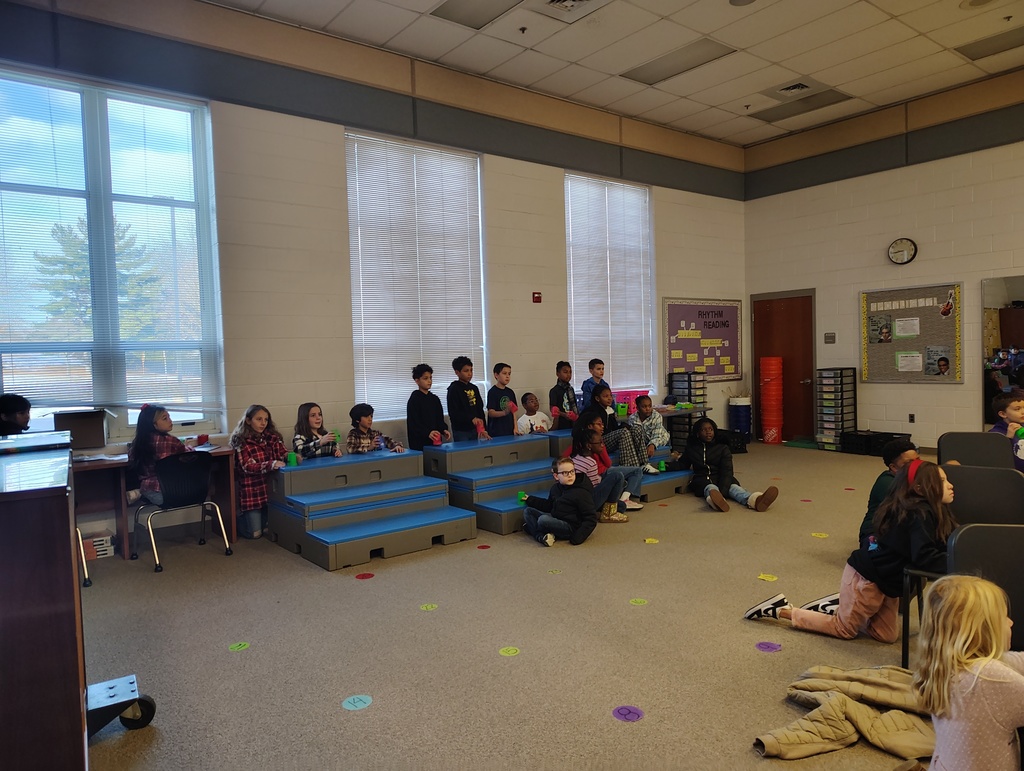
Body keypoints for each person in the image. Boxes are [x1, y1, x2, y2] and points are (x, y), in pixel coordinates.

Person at [744, 459, 956, 642]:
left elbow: (942, 544)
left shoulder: (931, 512)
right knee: (843, 630)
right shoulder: (919, 514)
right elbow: (925, 556)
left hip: (887, 584)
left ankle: (838, 607)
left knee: (886, 636)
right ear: (919, 489)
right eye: (942, 481)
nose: (950, 485)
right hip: (867, 579)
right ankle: (781, 610)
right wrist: (961, 563)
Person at [912, 574, 1024, 771]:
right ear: (983, 630)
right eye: (1004, 618)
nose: (1010, 623)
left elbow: (1014, 661)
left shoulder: (944, 662)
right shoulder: (989, 677)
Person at [669, 416, 777, 512]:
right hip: (702, 479)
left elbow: (727, 470)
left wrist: (724, 489)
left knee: (735, 489)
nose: (708, 432)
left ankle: (755, 500)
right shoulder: (691, 449)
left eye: (710, 429)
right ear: (697, 433)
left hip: (722, 477)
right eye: (704, 430)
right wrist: (667, 466)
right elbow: (683, 464)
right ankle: (716, 502)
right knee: (710, 488)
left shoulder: (722, 448)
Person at [230, 404, 288, 539]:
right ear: (248, 421)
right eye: (259, 419)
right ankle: (238, 519)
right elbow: (247, 466)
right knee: (255, 534)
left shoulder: (272, 437)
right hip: (252, 492)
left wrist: (290, 456)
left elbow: (282, 452)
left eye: (266, 420)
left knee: (270, 528)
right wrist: (270, 464)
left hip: (269, 490)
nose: (263, 423)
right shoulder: (240, 440)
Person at [127, 403, 197, 506]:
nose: (170, 420)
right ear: (153, 424)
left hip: (155, 494)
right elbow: (191, 456)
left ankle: (140, 492)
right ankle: (140, 492)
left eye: (169, 417)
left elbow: (131, 460)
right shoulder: (172, 441)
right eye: (165, 418)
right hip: (178, 492)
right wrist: (190, 447)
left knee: (145, 487)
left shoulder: (137, 445)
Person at [857, 437, 919, 550]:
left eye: (918, 460)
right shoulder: (887, 483)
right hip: (874, 533)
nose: (916, 465)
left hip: (897, 530)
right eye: (909, 463)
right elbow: (913, 506)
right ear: (894, 467)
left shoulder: (915, 477)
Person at [581, 384, 659, 474]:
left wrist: (623, 426)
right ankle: (628, 468)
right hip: (598, 441)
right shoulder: (592, 412)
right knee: (623, 433)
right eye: (605, 396)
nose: (610, 398)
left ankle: (644, 463)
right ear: (597, 398)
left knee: (636, 429)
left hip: (610, 439)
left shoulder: (610, 410)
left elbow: (613, 429)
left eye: (610, 395)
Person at [521, 457, 598, 546]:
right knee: (528, 511)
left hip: (570, 527)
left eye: (572, 471)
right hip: (556, 519)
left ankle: (537, 532)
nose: (570, 475)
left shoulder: (581, 493)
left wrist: (577, 538)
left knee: (543, 520)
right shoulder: (555, 489)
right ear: (556, 476)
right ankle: (543, 535)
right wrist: (530, 499)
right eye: (565, 473)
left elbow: (591, 518)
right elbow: (549, 506)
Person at [570, 429, 628, 523]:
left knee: (621, 506)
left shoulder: (575, 457)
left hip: (577, 501)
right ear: (589, 445)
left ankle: (598, 513)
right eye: (599, 443)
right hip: (586, 501)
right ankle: (609, 514)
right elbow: (594, 487)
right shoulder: (591, 462)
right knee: (617, 476)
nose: (602, 445)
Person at [406, 364, 450, 451]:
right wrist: (427, 433)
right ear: (417, 381)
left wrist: (444, 430)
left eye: (430, 378)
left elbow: (439, 420)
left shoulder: (435, 399)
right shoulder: (414, 400)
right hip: (419, 444)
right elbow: (414, 424)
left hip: (435, 442)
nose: (429, 381)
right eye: (425, 378)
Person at [446, 356, 489, 442]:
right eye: (466, 371)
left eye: (471, 370)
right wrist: (471, 418)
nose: (469, 373)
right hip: (461, 431)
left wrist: (483, 428)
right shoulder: (453, 389)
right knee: (464, 453)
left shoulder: (474, 388)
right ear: (457, 372)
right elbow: (454, 412)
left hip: (476, 429)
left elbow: (479, 409)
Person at [988, 389, 1024, 473]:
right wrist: (1008, 438)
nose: (1023, 412)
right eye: (1017, 409)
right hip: (1013, 476)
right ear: (1003, 414)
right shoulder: (996, 433)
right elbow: (997, 459)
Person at [628, 394, 670, 460]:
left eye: (650, 406)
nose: (647, 409)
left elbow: (656, 435)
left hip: (660, 438)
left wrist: (652, 445)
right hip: (644, 443)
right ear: (638, 408)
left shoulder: (656, 416)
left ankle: (673, 455)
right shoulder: (632, 418)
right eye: (644, 407)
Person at [486, 362, 518, 437]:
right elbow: (491, 412)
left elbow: (514, 412)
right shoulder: (492, 392)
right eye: (504, 373)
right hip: (496, 431)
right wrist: (504, 412)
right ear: (496, 375)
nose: (507, 376)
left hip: (509, 429)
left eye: (509, 374)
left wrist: (516, 428)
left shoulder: (510, 392)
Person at [548, 360, 578, 430]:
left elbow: (574, 406)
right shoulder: (554, 391)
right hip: (561, 423)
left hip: (573, 423)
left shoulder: (571, 389)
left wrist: (576, 416)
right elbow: (552, 408)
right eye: (565, 372)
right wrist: (564, 415)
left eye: (570, 372)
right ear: (558, 374)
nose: (568, 375)